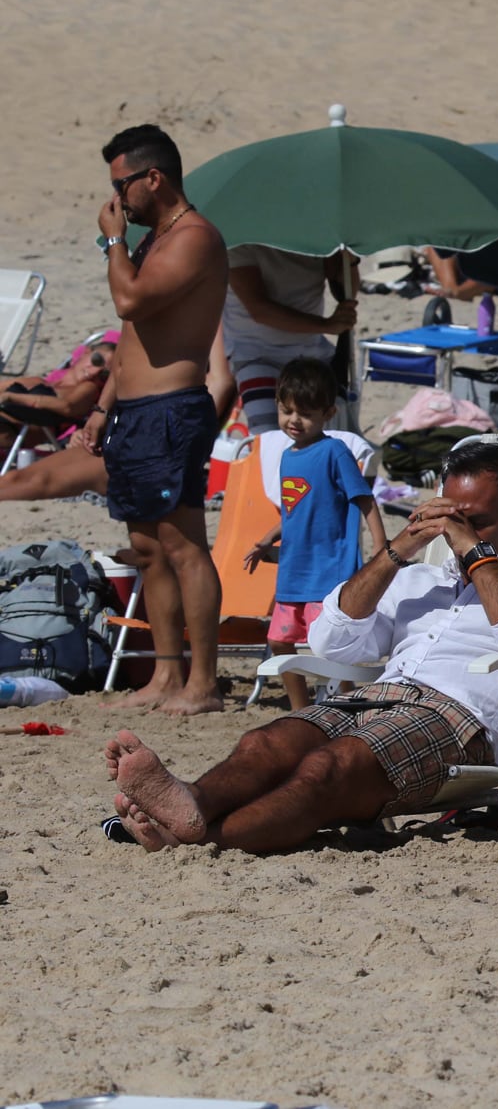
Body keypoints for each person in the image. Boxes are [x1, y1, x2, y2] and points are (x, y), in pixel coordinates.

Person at [103, 442, 498, 854]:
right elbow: (332, 638)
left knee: (327, 768)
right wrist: (396, 553)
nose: (456, 536)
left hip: (458, 719)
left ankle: (202, 839)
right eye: (450, 520)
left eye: (476, 522)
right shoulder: (417, 578)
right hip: (377, 697)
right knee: (265, 743)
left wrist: (474, 551)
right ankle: (190, 804)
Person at [89, 124, 229, 715]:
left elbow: (131, 302)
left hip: (173, 408)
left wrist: (113, 243)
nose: (117, 199)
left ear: (155, 178)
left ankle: (202, 681)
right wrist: (103, 406)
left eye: (123, 185)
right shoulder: (158, 238)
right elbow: (131, 337)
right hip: (135, 411)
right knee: (147, 548)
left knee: (184, 545)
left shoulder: (194, 237)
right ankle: (165, 675)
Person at [243, 360, 387, 710]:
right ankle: (301, 708)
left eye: (304, 413)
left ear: (328, 413)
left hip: (328, 571)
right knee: (279, 641)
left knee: (329, 645)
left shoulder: (334, 451)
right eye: (286, 410)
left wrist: (383, 550)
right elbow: (295, 511)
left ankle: (349, 698)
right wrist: (267, 540)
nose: (293, 420)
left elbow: (365, 501)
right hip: (294, 569)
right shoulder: (288, 456)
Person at [3, 331, 235, 505]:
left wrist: (216, 308)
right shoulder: (154, 378)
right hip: (112, 442)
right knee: (18, 478)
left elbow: (221, 380)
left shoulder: (202, 393)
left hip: (140, 461)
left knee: (39, 482)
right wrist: (98, 416)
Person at [224, 246, 358, 432]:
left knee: (323, 434)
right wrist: (326, 325)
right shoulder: (241, 241)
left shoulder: (316, 234)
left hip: (311, 353)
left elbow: (347, 291)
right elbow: (259, 309)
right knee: (269, 437)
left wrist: (349, 261)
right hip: (257, 353)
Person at [0, 340, 114, 453]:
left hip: (13, 429)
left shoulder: (90, 388)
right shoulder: (37, 381)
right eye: (97, 361)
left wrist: (12, 398)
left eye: (104, 374)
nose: (94, 372)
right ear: (86, 352)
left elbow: (68, 407)